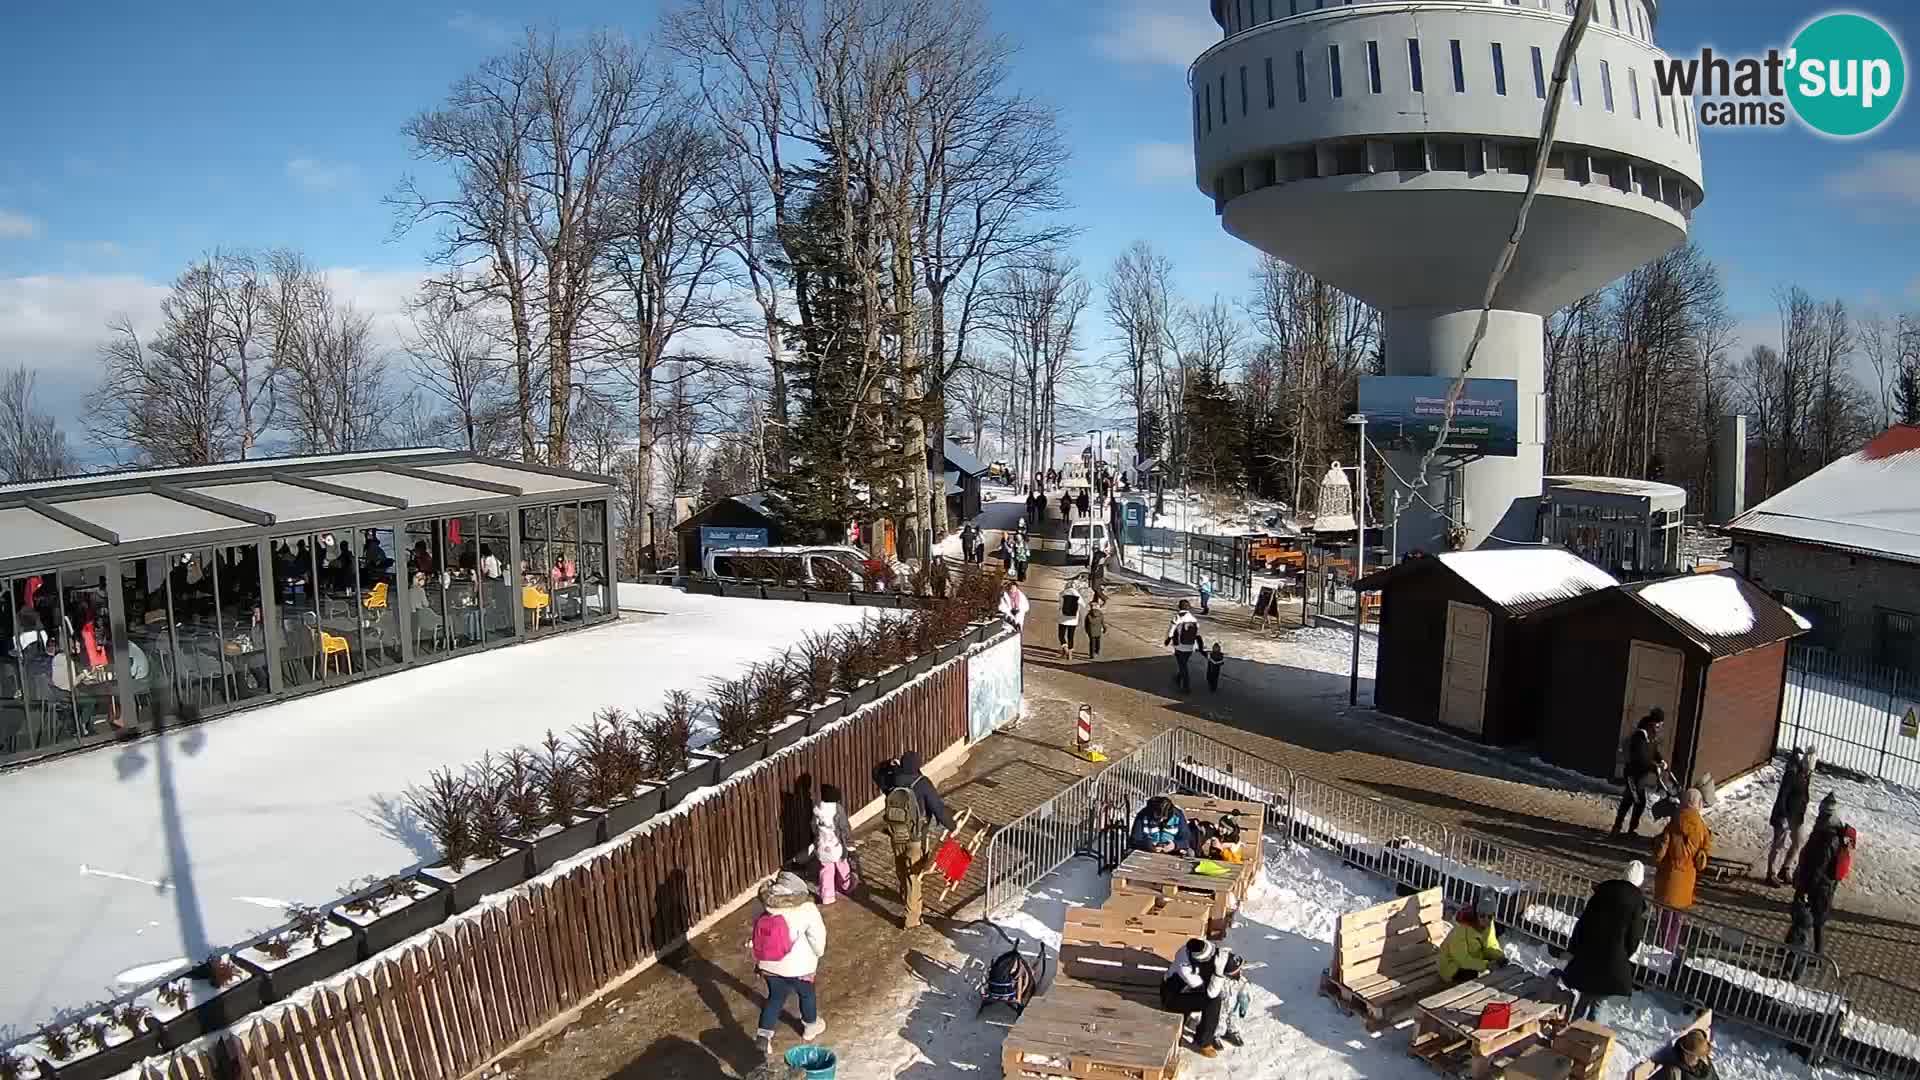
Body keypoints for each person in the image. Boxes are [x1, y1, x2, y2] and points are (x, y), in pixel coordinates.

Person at [749, 870, 828, 1058]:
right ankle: (810, 1027)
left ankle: (764, 1036)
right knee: (806, 995)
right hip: (800, 967)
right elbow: (818, 938)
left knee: (775, 998)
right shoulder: (807, 909)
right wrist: (818, 954)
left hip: (770, 965)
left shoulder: (767, 906)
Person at [1561, 861, 1649, 1024]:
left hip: (1589, 954)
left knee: (1585, 997)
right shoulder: (1635, 903)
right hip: (1613, 960)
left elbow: (1583, 923)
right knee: (1598, 1003)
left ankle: (1571, 1030)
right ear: (1640, 881)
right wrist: (1624, 954)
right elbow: (1634, 937)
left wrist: (1575, 947)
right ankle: (1587, 1038)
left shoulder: (1603, 893)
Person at [878, 750, 955, 929]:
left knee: (901, 869)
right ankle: (912, 919)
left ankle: (905, 896)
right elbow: (938, 808)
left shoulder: (892, 780)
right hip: (916, 836)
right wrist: (952, 826)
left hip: (896, 833)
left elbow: (877, 773)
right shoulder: (923, 783)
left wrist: (889, 765)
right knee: (914, 874)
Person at [1787, 793, 1853, 974]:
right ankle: (1803, 951)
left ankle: (1812, 955)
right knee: (1814, 920)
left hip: (1819, 886)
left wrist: (1807, 888)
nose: (1820, 817)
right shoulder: (1830, 831)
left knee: (1812, 921)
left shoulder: (1828, 837)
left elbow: (1818, 866)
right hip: (1822, 885)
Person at [1653, 788, 1712, 951]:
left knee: (1664, 922)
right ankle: (1671, 949)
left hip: (1668, 878)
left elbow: (1660, 853)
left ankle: (1662, 951)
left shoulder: (1674, 822)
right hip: (1686, 881)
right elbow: (1703, 859)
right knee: (1677, 921)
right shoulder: (1702, 828)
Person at [1161, 938, 1233, 1058]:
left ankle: (1205, 1032)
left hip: (1189, 990)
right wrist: (1219, 973)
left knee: (1214, 996)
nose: (1210, 957)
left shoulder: (1201, 947)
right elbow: (1210, 993)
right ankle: (1204, 1042)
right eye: (1206, 958)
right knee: (1213, 1001)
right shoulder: (1185, 968)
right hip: (1173, 996)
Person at [1612, 708, 1668, 838]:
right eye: (1658, 723)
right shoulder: (1640, 735)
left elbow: (1653, 751)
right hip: (1633, 774)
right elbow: (1640, 758)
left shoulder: (1651, 735)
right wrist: (1654, 766)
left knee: (1636, 801)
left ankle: (1628, 829)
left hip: (1641, 776)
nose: (1660, 726)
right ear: (1652, 722)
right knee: (1633, 800)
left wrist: (1661, 760)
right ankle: (1618, 828)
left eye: (1661, 723)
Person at [1766, 748, 1817, 886]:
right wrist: (1782, 817)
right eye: (1808, 769)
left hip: (1797, 815)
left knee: (1799, 841)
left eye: (1811, 770)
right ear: (1804, 764)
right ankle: (1771, 873)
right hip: (1783, 814)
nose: (1809, 772)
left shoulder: (1807, 775)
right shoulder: (1792, 774)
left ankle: (1786, 868)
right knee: (1778, 845)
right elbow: (1783, 795)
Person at [1437, 892, 1508, 984]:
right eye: (1482, 916)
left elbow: (1489, 945)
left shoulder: (1488, 924)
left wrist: (1499, 956)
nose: (1486, 920)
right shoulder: (1462, 927)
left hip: (1474, 960)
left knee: (1499, 969)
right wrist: (1486, 965)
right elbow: (1462, 959)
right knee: (1472, 976)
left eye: (1490, 916)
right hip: (1452, 966)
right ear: (1475, 913)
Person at [811, 783, 856, 905]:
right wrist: (849, 840)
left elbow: (814, 828)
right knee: (842, 865)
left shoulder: (817, 809)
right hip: (836, 845)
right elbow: (844, 827)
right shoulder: (838, 809)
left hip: (822, 845)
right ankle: (846, 885)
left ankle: (827, 896)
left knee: (826, 870)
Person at [1166, 600, 1205, 692]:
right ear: (1188, 607)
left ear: (1179, 607)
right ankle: (1178, 678)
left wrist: (1167, 640)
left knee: (1183, 666)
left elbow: (1171, 631)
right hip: (1190, 646)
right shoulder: (1193, 618)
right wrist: (1200, 647)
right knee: (1183, 664)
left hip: (1179, 645)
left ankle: (1186, 686)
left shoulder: (1177, 617)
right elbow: (1197, 633)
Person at [1218, 953, 1252, 1048]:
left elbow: (1244, 992)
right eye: (1238, 970)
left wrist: (1244, 1003)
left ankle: (1231, 1031)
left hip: (1233, 1006)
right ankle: (1215, 1035)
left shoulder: (1241, 981)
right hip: (1221, 1006)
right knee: (1219, 1019)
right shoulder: (1220, 981)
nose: (1240, 972)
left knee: (1233, 1017)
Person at [1057, 580, 1085, 659]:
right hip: (1073, 619)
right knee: (1071, 636)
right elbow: (1083, 604)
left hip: (1063, 618)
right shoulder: (1077, 594)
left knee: (1061, 635)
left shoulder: (1062, 593)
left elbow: (1060, 603)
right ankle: (1070, 652)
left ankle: (1064, 647)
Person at [1085, 593, 1107, 659]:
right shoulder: (1100, 614)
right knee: (1098, 641)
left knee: (1092, 642)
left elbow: (1086, 624)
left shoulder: (1088, 615)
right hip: (1098, 631)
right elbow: (1103, 623)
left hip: (1091, 631)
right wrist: (1105, 629)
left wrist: (1087, 630)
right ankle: (1097, 651)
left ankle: (1092, 654)